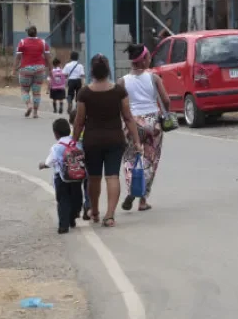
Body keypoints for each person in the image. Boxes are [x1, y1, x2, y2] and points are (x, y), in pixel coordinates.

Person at [72, 54, 143, 228]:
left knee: (94, 178)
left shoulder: (84, 93)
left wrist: (73, 142)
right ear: (108, 70)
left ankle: (94, 211)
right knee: (112, 176)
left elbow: (79, 120)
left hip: (92, 141)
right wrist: (137, 140)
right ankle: (109, 216)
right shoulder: (119, 91)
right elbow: (128, 117)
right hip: (114, 140)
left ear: (91, 71)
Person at [118, 44, 170, 212]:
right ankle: (143, 200)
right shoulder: (154, 78)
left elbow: (118, 105)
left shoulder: (122, 81)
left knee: (129, 158)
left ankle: (132, 188)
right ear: (145, 59)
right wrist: (165, 113)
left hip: (132, 123)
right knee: (150, 160)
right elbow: (166, 100)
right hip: (152, 122)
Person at [39, 118, 84, 234]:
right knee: (76, 198)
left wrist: (43, 165)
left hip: (62, 178)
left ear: (55, 133)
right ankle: (73, 217)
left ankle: (63, 225)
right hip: (77, 177)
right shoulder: (76, 143)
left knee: (63, 200)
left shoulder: (56, 147)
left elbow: (51, 161)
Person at [15, 26, 51, 118]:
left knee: (24, 90)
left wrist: (14, 68)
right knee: (36, 92)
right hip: (39, 69)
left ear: (27, 33)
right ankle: (35, 113)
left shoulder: (22, 42)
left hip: (25, 69)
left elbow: (18, 57)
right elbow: (47, 57)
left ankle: (29, 105)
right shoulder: (43, 42)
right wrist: (49, 69)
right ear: (36, 32)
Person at [68, 109, 91, 221]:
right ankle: (88, 207)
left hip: (75, 166)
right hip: (88, 162)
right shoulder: (89, 131)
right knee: (88, 185)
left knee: (75, 188)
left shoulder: (70, 132)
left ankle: (76, 210)